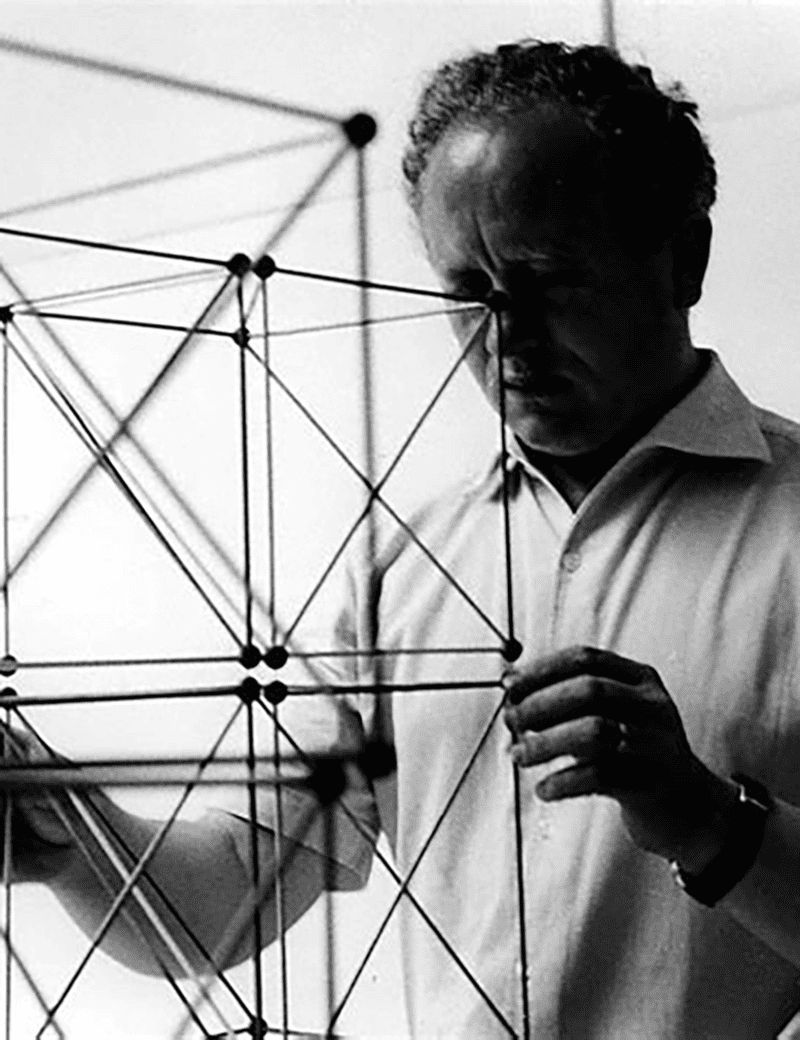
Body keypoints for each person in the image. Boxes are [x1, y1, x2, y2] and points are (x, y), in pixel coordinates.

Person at [3, 39, 800, 1039]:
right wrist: (69, 837)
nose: (505, 334)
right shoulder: (402, 565)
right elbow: (227, 895)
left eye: (548, 281)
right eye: (467, 291)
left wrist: (705, 816)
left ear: (684, 259)